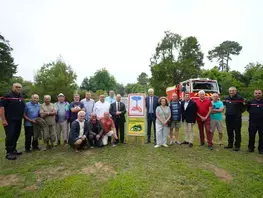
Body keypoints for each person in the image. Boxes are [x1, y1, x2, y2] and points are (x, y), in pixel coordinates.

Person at [0, 83, 25, 160]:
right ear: (12, 87)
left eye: (19, 87)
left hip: (18, 120)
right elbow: (1, 108)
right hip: (9, 120)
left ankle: (13, 150)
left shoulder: (21, 97)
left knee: (16, 135)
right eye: (16, 87)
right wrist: (3, 119)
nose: (18, 88)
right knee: (10, 136)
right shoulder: (7, 96)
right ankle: (9, 153)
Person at [224, 87, 246, 151]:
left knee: (237, 132)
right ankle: (230, 144)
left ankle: (237, 146)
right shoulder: (226, 98)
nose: (231, 92)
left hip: (237, 118)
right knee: (229, 132)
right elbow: (226, 106)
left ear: (236, 91)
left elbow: (244, 107)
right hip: (228, 118)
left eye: (233, 91)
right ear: (229, 91)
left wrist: (238, 112)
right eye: (230, 91)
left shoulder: (240, 98)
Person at [247, 89, 263, 154]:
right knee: (251, 135)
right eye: (256, 93)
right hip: (252, 121)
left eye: (259, 93)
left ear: (261, 94)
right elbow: (247, 109)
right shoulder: (250, 101)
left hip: (262, 122)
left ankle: (261, 149)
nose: (257, 94)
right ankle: (251, 148)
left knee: (262, 136)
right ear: (254, 94)